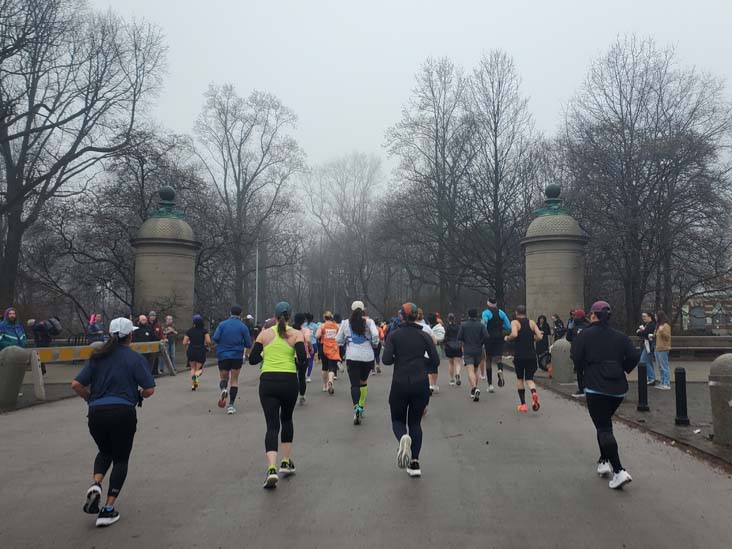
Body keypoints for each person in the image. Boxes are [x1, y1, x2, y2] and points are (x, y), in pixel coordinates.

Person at [70, 317, 155, 527]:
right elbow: (149, 389)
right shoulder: (135, 359)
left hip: (96, 412)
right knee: (120, 458)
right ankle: (108, 509)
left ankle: (96, 484)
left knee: (104, 451)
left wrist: (90, 399)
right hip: (123, 411)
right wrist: (139, 395)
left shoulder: (97, 357)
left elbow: (76, 384)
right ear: (131, 336)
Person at [572, 301, 638, 489]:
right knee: (604, 424)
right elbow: (634, 356)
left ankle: (619, 471)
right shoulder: (621, 336)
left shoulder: (585, 335)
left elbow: (576, 357)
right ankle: (603, 461)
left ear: (593, 315)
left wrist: (584, 369)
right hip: (618, 388)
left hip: (596, 386)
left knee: (603, 428)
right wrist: (622, 368)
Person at [248, 302, 306, 489]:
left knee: (272, 426)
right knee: (287, 420)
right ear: (289, 316)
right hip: (289, 381)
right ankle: (285, 461)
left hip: (268, 382)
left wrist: (266, 354)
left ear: (274, 316)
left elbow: (252, 360)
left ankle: (271, 468)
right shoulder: (296, 334)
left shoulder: (264, 334)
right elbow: (303, 359)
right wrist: (294, 359)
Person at [382, 303, 440, 478]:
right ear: (416, 317)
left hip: (400, 382)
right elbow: (435, 361)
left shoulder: (394, 336)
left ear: (402, 316)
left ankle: (402, 439)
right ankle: (415, 462)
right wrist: (423, 364)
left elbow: (385, 360)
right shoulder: (425, 336)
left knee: (397, 420)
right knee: (415, 423)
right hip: (420, 382)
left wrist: (397, 359)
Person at [336, 301, 380, 425]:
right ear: (363, 310)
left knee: (354, 385)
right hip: (367, 357)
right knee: (363, 382)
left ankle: (356, 408)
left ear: (352, 309)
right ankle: (361, 406)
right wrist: (375, 343)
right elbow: (376, 335)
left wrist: (344, 343)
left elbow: (338, 339)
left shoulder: (345, 323)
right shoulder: (369, 322)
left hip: (352, 357)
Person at [212, 305, 252, 414]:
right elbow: (248, 343)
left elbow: (215, 338)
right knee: (234, 380)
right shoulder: (243, 327)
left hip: (223, 355)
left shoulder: (222, 325)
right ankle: (231, 405)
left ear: (230, 312)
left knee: (224, 378)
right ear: (240, 314)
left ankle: (224, 390)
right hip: (236, 355)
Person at [504, 306, 544, 413]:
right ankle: (534, 392)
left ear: (517, 313)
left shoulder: (515, 323)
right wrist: (531, 338)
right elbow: (540, 337)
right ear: (525, 313)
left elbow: (514, 334)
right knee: (529, 379)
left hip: (520, 355)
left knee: (520, 379)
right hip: (531, 355)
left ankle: (523, 405)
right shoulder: (531, 323)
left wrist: (507, 338)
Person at [458, 309, 489, 401]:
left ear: (468, 315)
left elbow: (459, 338)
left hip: (468, 350)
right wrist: (481, 342)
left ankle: (474, 388)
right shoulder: (481, 325)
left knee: (470, 371)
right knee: (476, 371)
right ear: (477, 315)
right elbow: (487, 336)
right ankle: (474, 389)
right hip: (478, 350)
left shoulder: (464, 325)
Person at [481, 298, 511, 390]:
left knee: (488, 359)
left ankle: (490, 384)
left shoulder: (486, 313)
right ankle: (500, 370)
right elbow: (508, 326)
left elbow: (484, 325)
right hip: (499, 337)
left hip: (489, 338)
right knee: (499, 357)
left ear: (488, 304)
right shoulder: (501, 313)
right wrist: (501, 328)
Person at [315, 311, 341, 394]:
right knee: (332, 367)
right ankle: (331, 381)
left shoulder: (322, 326)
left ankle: (325, 385)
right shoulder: (336, 326)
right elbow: (340, 336)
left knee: (324, 367)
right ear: (331, 317)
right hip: (334, 348)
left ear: (324, 318)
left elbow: (317, 336)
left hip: (324, 347)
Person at [183, 314, 210, 390]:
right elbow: (208, 341)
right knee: (199, 369)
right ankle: (196, 378)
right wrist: (204, 343)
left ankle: (194, 383)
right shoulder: (204, 331)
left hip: (191, 350)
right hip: (200, 350)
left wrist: (189, 342)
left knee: (192, 368)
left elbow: (184, 342)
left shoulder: (189, 331)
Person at [567, 309, 590, 398]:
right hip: (582, 353)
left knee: (580, 372)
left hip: (579, 352)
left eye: (576, 316)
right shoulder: (588, 327)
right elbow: (569, 338)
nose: (575, 317)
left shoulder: (577, 328)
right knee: (583, 372)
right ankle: (585, 388)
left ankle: (582, 389)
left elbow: (568, 338)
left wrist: (570, 329)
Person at [292, 313, 314, 405]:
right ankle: (302, 396)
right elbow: (308, 340)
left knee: (292, 377)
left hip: (291, 355)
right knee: (301, 377)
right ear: (303, 321)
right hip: (303, 355)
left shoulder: (290, 330)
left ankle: (292, 395)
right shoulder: (305, 330)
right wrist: (311, 347)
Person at [636, 312, 657, 386]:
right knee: (649, 362)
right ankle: (651, 377)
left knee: (643, 361)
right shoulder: (647, 325)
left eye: (645, 316)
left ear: (649, 317)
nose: (643, 318)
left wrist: (642, 331)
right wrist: (642, 332)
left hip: (649, 346)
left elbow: (645, 333)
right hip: (646, 345)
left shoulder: (652, 325)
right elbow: (639, 333)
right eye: (642, 316)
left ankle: (652, 378)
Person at [652, 311, 672, 390]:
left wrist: (662, 331)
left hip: (663, 348)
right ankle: (662, 382)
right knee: (660, 367)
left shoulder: (665, 326)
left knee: (664, 366)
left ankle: (666, 383)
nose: (655, 318)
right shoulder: (658, 325)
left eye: (656, 316)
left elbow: (667, 337)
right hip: (657, 348)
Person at [444, 313, 463, 386]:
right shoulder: (458, 327)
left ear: (448, 319)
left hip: (449, 346)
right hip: (457, 346)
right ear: (454, 318)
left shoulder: (447, 327)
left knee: (450, 363)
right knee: (458, 363)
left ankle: (452, 379)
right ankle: (457, 374)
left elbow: (445, 337)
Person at [428, 313, 445, 389]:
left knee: (428, 367)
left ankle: (430, 384)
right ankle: (433, 384)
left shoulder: (427, 328)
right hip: (437, 348)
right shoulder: (440, 328)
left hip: (428, 348)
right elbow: (442, 338)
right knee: (434, 367)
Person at [303, 313, 319, 382]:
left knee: (304, 360)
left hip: (305, 344)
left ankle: (302, 374)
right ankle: (308, 376)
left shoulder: (303, 325)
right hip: (313, 343)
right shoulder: (315, 326)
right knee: (310, 360)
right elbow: (316, 335)